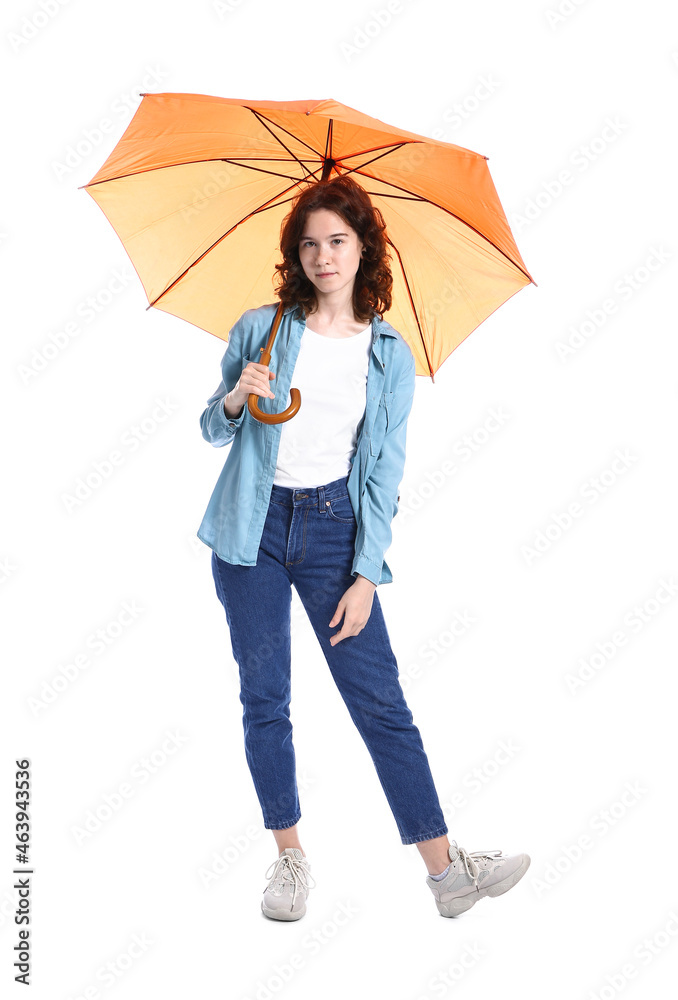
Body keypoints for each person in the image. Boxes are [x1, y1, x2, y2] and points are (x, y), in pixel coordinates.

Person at [198, 174, 530, 920]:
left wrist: (365, 574)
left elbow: (383, 474)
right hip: (247, 532)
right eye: (309, 243)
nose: (323, 255)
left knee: (380, 700)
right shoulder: (263, 328)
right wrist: (232, 397)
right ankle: (289, 861)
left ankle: (446, 875)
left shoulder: (386, 353)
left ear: (362, 249)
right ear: (296, 253)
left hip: (330, 532)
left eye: (337, 241)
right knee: (265, 697)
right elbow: (212, 430)